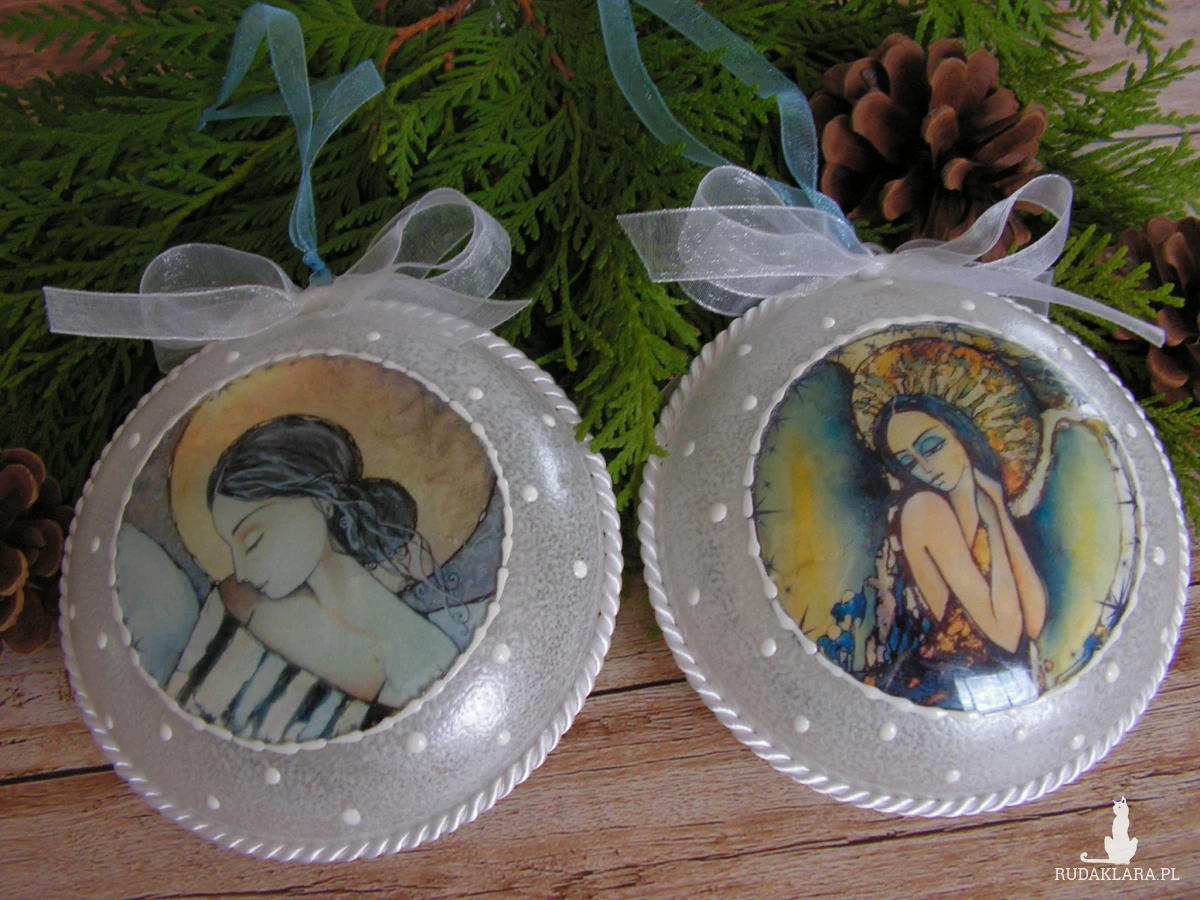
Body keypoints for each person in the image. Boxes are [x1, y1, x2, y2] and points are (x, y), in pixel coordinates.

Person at [125, 415, 500, 743]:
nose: (242, 570)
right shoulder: (237, 601)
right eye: (231, 548)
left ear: (321, 501)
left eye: (252, 540)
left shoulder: (424, 661)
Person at [863, 394, 1047, 710]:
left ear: (959, 432)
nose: (925, 468)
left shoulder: (986, 501)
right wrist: (994, 522)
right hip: (934, 688)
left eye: (932, 447)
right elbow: (1005, 636)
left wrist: (998, 511)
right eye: (909, 462)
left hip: (991, 690)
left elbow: (1034, 621)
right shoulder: (925, 509)